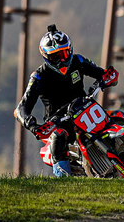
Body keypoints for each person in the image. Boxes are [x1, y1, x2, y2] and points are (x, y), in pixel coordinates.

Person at [14, 25, 117, 177]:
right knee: (58, 136)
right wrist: (33, 125)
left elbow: (102, 74)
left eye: (64, 53)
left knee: (120, 117)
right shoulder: (38, 77)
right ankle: (63, 179)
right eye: (56, 57)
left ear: (70, 49)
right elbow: (20, 109)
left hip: (85, 109)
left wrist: (108, 76)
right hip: (59, 121)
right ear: (46, 57)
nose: (62, 60)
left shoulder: (78, 60)